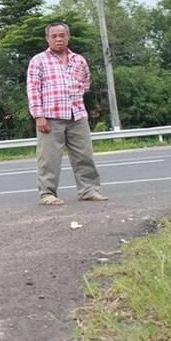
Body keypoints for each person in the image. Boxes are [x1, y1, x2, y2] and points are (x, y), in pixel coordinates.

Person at [26, 22, 108, 205]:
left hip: (77, 115)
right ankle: (47, 194)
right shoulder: (38, 61)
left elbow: (86, 84)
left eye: (62, 35)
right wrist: (38, 116)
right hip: (50, 117)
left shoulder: (79, 60)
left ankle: (88, 190)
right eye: (54, 36)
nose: (58, 39)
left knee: (84, 155)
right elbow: (33, 89)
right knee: (49, 158)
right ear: (47, 39)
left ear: (68, 37)